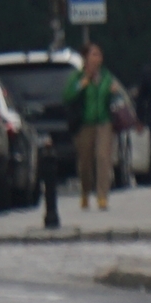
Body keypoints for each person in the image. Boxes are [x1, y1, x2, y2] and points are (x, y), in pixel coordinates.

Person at [61, 42, 123, 211]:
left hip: (103, 121)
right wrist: (83, 84)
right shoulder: (78, 76)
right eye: (94, 54)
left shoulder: (106, 76)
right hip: (84, 123)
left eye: (99, 55)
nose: (97, 58)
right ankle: (86, 192)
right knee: (85, 162)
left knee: (103, 157)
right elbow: (68, 96)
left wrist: (114, 92)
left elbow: (117, 97)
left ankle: (102, 195)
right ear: (86, 57)